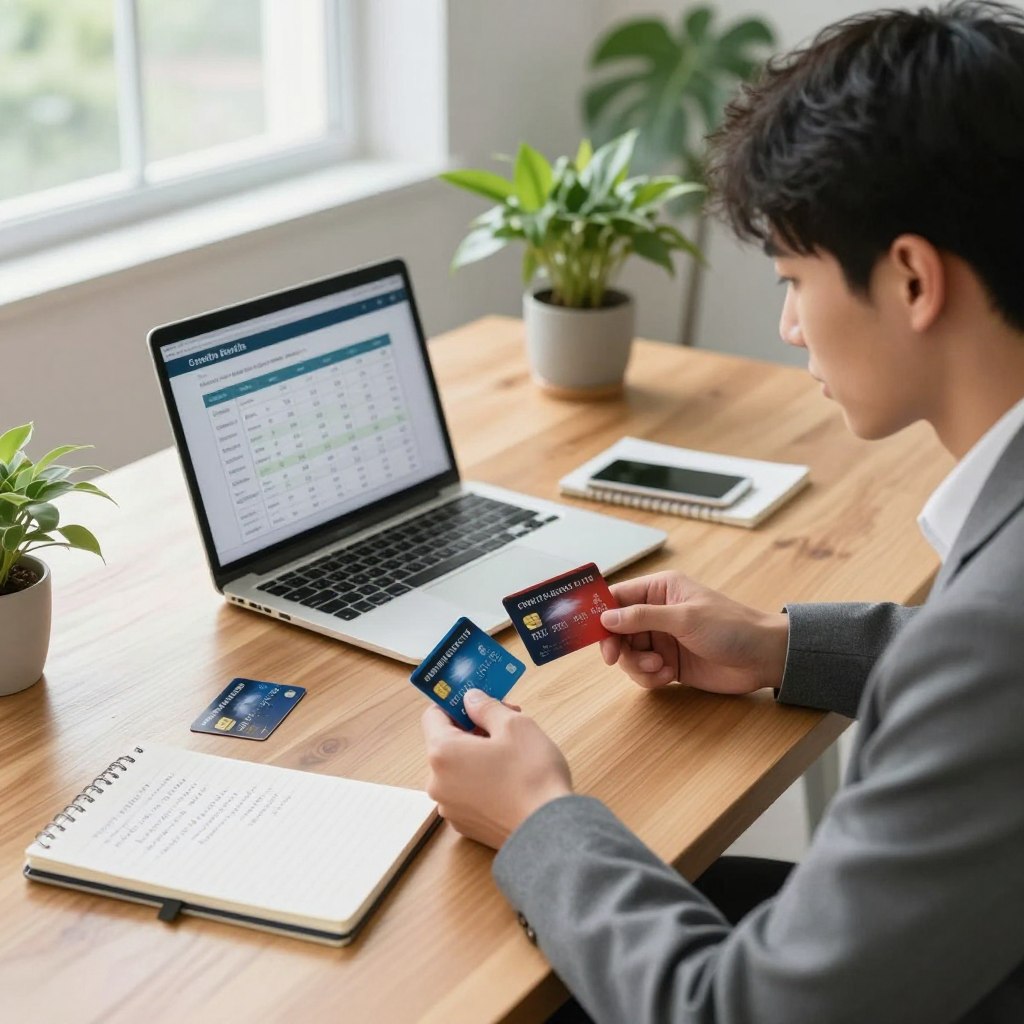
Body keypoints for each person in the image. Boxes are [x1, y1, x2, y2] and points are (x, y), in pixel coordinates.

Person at [420, 3, 1024, 1021]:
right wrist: (777, 643)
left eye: (793, 279)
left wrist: (539, 816)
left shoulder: (993, 640)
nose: (789, 325)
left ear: (913, 277)